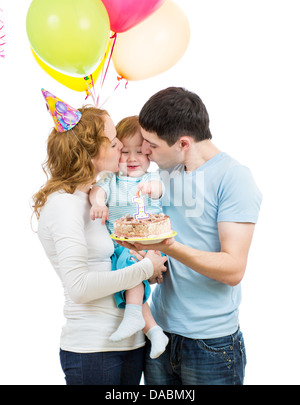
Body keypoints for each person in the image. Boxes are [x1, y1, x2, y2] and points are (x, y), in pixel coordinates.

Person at [117, 87, 262, 385]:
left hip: (211, 345)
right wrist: (150, 259)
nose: (145, 150)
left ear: (183, 143)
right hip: (160, 334)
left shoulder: (234, 178)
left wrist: (168, 246)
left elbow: (233, 269)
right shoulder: (166, 173)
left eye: (152, 145)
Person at [32, 90, 167, 385]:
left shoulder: (94, 199)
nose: (120, 145)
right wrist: (145, 269)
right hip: (94, 349)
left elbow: (112, 263)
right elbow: (80, 287)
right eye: (113, 139)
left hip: (131, 345)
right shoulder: (63, 204)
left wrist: (148, 266)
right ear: (91, 150)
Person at [89, 116, 169, 359]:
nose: (132, 158)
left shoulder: (150, 178)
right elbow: (96, 191)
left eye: (139, 152)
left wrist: (150, 190)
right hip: (120, 244)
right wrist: (99, 203)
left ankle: (133, 315)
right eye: (124, 151)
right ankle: (154, 331)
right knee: (129, 277)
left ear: (149, 154)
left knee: (132, 269)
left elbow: (160, 190)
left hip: (150, 242)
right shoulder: (111, 179)